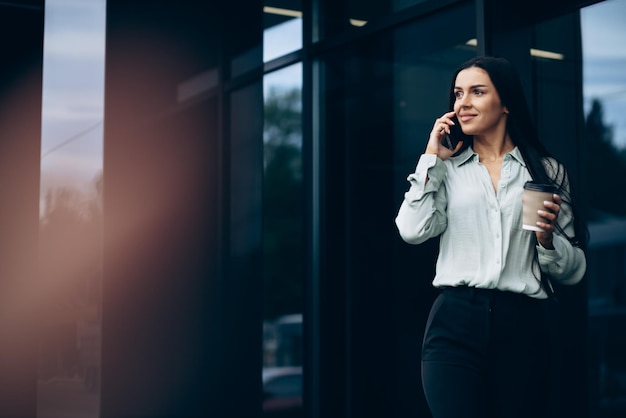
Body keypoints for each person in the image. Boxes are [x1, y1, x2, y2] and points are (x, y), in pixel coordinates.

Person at [395, 56, 587, 418]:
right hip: (454, 323)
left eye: (477, 92)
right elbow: (412, 230)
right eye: (457, 94)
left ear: (506, 102)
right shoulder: (446, 170)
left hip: (523, 324)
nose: (462, 103)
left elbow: (574, 269)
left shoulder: (547, 171)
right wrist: (431, 157)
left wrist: (547, 240)